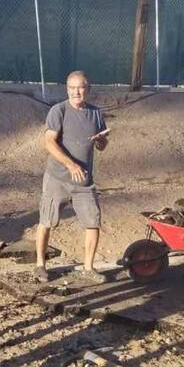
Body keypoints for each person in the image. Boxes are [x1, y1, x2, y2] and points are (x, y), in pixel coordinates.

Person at [35, 70, 109, 284]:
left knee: (93, 222)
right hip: (57, 178)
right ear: (67, 89)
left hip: (83, 181)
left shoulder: (96, 113)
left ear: (88, 89)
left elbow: (103, 145)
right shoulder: (58, 111)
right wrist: (70, 164)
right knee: (46, 221)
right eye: (72, 88)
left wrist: (101, 141)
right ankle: (40, 265)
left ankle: (88, 268)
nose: (76, 92)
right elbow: (49, 142)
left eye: (81, 88)